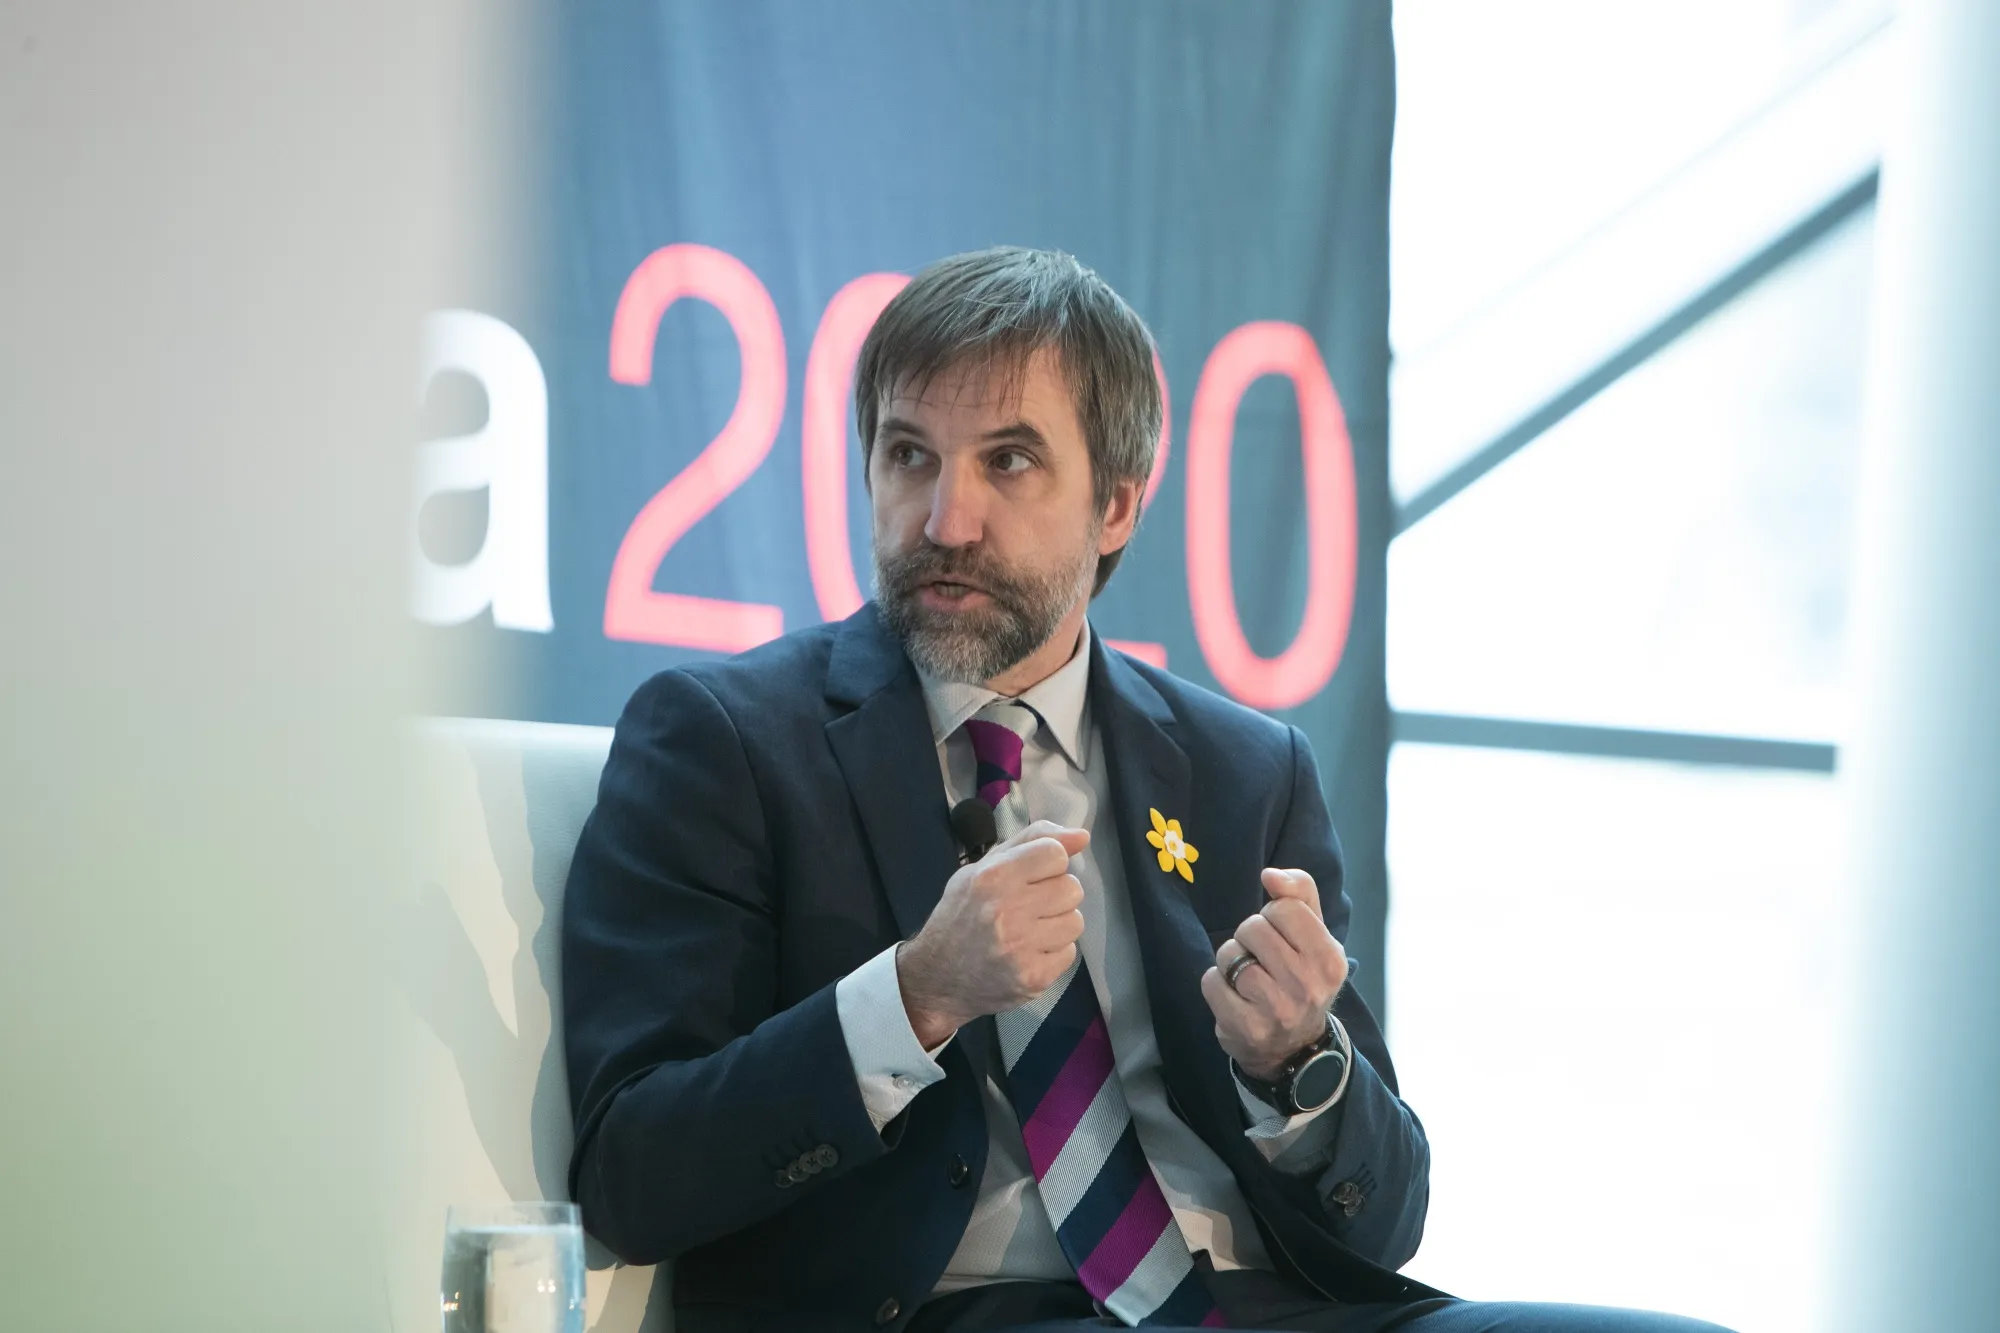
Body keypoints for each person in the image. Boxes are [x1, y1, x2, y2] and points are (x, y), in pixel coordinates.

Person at [562, 247, 1730, 1333]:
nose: (942, 519)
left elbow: (1384, 1220)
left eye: (1006, 462)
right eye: (906, 453)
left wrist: (1299, 1068)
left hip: (1271, 1304)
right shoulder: (726, 740)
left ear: (1116, 502)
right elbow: (629, 1173)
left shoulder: (1243, 769)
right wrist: (913, 997)